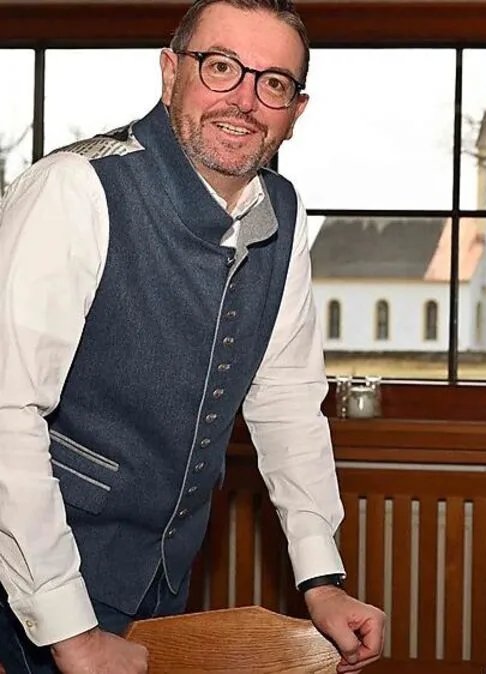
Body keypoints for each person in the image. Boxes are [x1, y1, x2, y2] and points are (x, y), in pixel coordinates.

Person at [0, 1, 388, 672]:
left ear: (296, 111)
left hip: (166, 573)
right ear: (170, 72)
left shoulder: (285, 211)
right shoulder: (75, 188)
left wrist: (321, 579)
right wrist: (72, 633)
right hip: (34, 585)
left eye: (273, 82)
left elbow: (287, 400)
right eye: (221, 67)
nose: (245, 100)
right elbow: (6, 413)